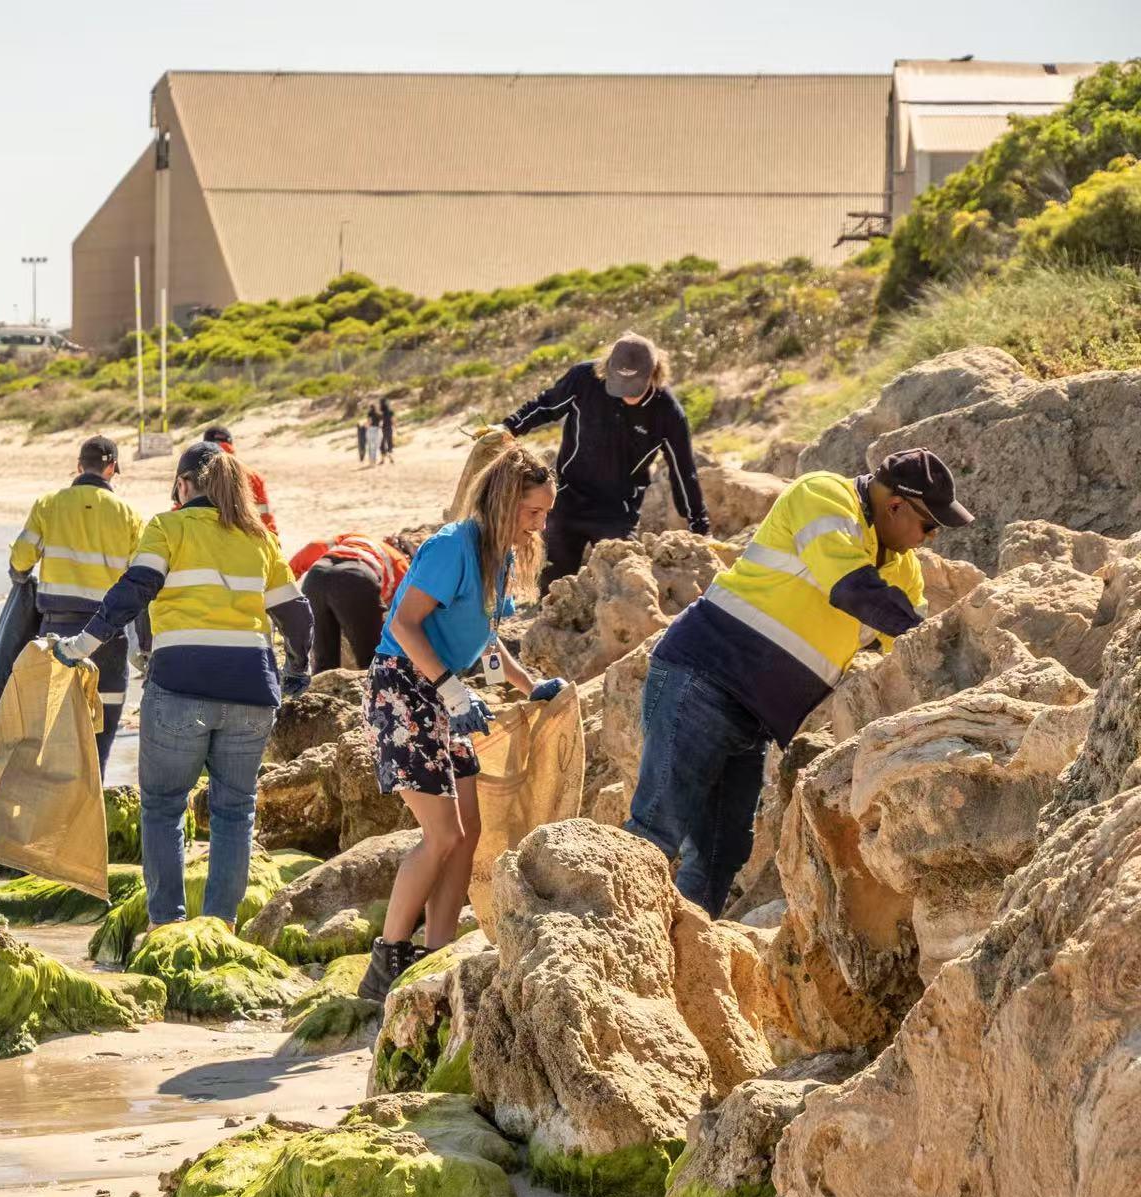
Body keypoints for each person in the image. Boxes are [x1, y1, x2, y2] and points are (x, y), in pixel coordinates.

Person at [627, 448, 974, 917]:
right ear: (895, 506)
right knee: (655, 829)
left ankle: (678, 957)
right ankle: (592, 946)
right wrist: (916, 630)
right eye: (928, 526)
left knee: (722, 852)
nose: (929, 540)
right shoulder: (824, 496)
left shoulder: (902, 568)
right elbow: (852, 589)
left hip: (752, 718)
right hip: (702, 680)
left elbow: (914, 645)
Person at [54, 442, 312, 931]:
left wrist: (84, 644)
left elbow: (135, 590)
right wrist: (298, 670)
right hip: (252, 690)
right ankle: (221, 926)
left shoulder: (166, 527)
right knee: (235, 812)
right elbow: (297, 616)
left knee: (164, 807)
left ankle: (166, 925)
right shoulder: (260, 539)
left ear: (183, 485)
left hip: (180, 686)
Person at [357, 442, 566, 1001]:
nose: (539, 525)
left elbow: (484, 637)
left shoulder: (499, 556)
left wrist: (530, 686)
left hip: (442, 692)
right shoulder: (453, 547)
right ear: (503, 501)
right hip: (403, 687)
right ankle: (387, 962)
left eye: (545, 514)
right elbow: (403, 624)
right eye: (532, 513)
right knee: (442, 833)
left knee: (468, 833)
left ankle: (438, 954)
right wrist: (450, 689)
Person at [498, 332, 710, 594]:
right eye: (619, 385)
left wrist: (698, 524)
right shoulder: (583, 379)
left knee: (622, 587)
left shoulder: (667, 413)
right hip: (568, 499)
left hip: (617, 511)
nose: (626, 396)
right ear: (607, 369)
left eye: (635, 388)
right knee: (552, 588)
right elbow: (545, 406)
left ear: (654, 374)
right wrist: (508, 427)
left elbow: (683, 471)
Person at [8, 434, 143, 773]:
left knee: (55, 735)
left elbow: (21, 560)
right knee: (102, 736)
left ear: (79, 466)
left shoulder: (49, 504)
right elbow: (142, 575)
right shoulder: (128, 514)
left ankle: (55, 813)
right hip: (109, 638)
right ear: (111, 468)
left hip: (57, 632)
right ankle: (92, 805)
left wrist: (19, 577)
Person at [289, 533, 410, 673]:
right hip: (354, 579)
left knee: (324, 662)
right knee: (372, 659)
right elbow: (404, 611)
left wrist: (288, 577)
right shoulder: (399, 561)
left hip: (315, 577)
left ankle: (324, 692)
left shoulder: (351, 538)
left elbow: (313, 547)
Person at [202, 424, 277, 537]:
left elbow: (181, 512)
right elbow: (265, 516)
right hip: (248, 542)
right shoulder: (254, 476)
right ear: (231, 444)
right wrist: (275, 544)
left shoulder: (196, 474)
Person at [378, 397, 396, 464]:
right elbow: (393, 420)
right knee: (389, 443)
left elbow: (380, 423)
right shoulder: (391, 412)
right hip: (390, 429)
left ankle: (383, 460)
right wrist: (395, 427)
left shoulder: (381, 413)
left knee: (382, 444)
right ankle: (391, 458)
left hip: (383, 430)